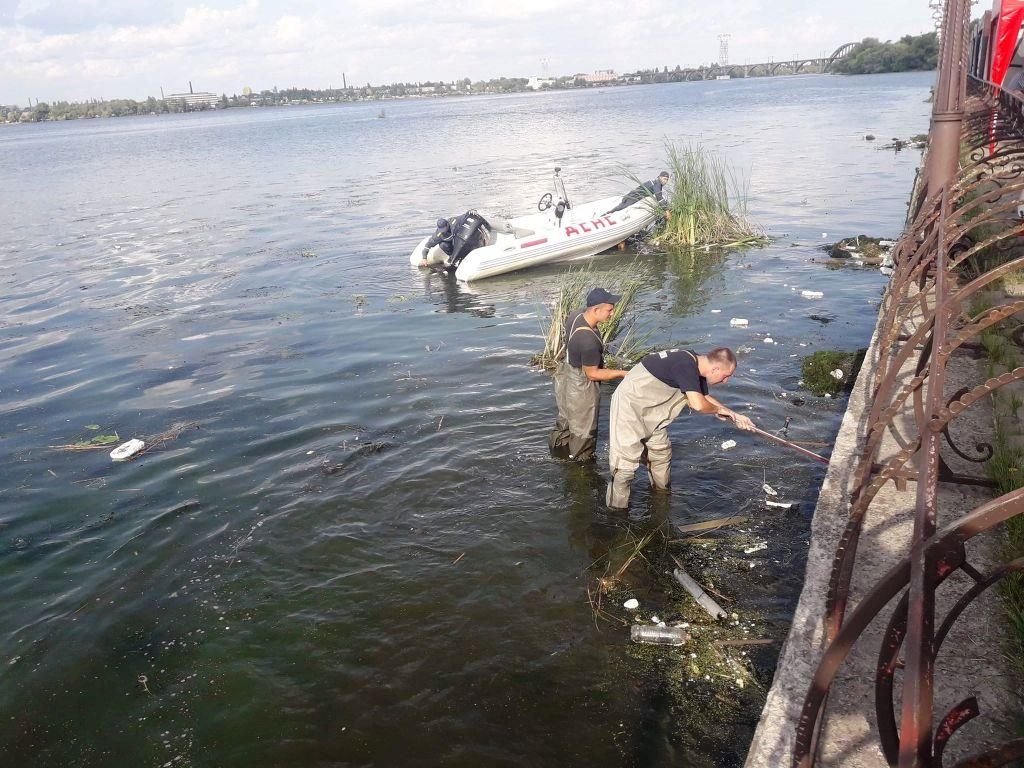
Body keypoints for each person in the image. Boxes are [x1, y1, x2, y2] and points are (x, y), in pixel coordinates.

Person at [605, 347, 755, 509]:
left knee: (661, 455)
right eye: (726, 376)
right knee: (624, 469)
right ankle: (616, 515)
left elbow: (703, 397)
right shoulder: (685, 364)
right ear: (715, 368)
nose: (725, 381)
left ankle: (660, 499)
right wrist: (718, 410)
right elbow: (697, 404)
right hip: (629, 410)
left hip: (653, 413)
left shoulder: (697, 365)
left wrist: (734, 415)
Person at [548, 287, 628, 461]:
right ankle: (580, 471)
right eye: (609, 309)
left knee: (565, 423)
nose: (612, 313)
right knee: (584, 432)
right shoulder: (588, 340)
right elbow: (592, 374)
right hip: (580, 385)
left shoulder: (576, 314)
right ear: (595, 310)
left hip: (565, 376)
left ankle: (557, 456)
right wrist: (622, 373)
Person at [606, 171, 670, 214]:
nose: (665, 181)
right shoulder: (657, 184)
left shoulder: (656, 181)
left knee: (620, 207)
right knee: (620, 208)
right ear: (660, 177)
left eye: (667, 179)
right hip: (634, 196)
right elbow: (659, 197)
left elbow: (658, 195)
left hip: (633, 194)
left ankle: (610, 212)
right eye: (664, 179)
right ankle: (608, 214)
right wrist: (666, 210)